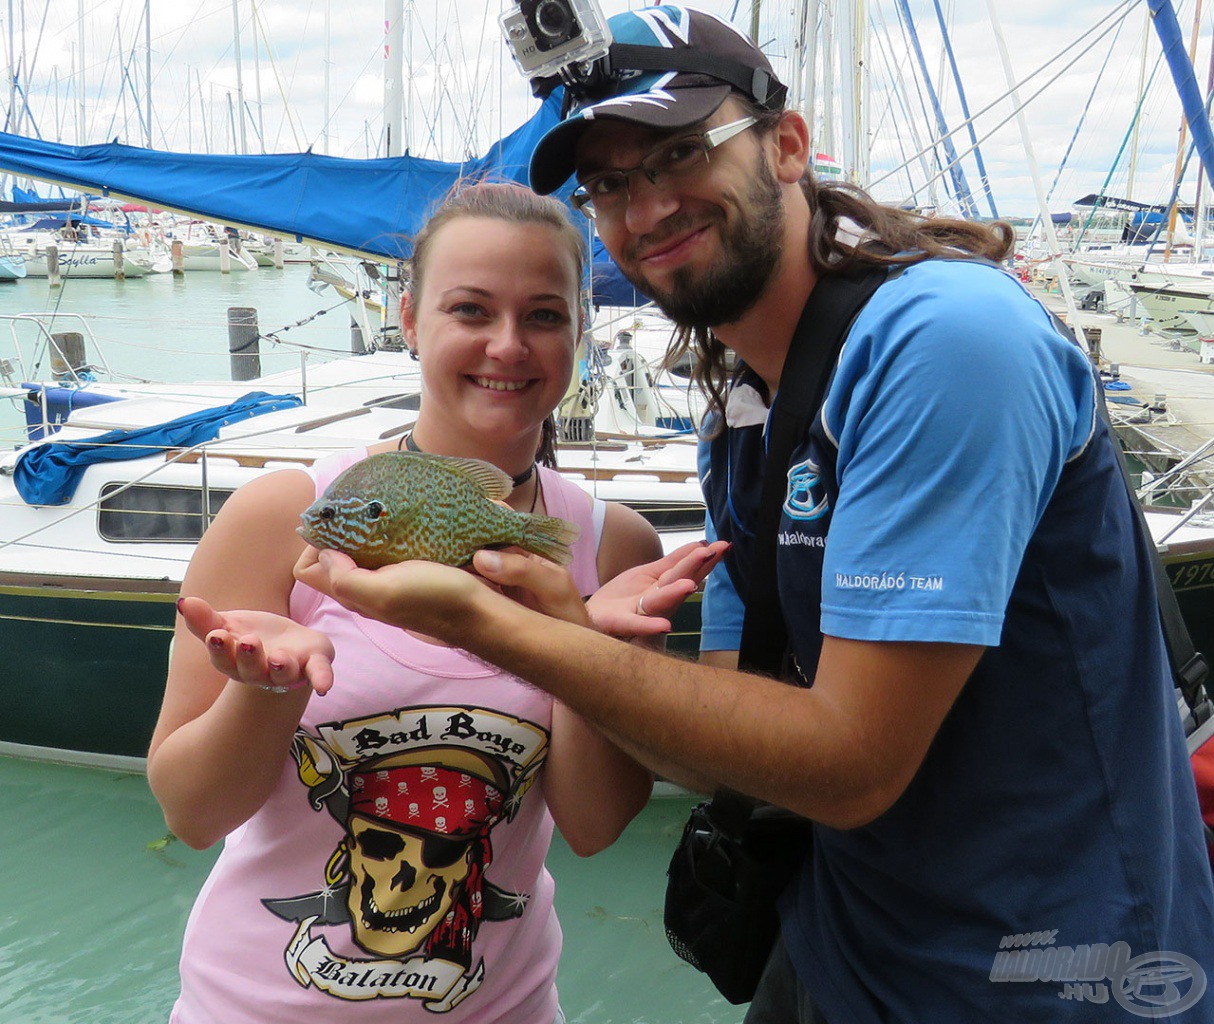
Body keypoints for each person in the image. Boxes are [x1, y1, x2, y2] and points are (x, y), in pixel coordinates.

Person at [295, 7, 1214, 1023]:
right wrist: (565, 621)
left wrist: (492, 626)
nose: (643, 207)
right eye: (608, 182)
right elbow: (732, 731)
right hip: (839, 955)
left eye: (680, 150)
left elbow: (848, 762)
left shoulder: (945, 342)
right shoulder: (739, 412)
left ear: (786, 146)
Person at [147, 180, 725, 1024]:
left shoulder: (611, 547)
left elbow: (597, 825)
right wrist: (268, 688)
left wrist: (575, 637)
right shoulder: (279, 517)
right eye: (471, 310)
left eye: (544, 316)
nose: (507, 345)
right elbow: (191, 813)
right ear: (411, 319)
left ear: (579, 336)